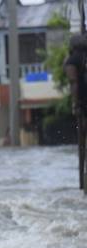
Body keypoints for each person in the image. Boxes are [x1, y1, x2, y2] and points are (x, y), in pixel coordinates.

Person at [64, 34, 87, 190]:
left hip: (84, 100)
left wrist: (75, 103)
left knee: (83, 133)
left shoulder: (72, 61)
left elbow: (74, 83)